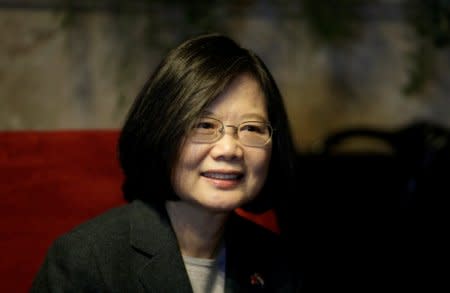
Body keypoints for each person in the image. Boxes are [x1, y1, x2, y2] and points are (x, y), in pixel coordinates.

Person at [31, 33, 301, 292]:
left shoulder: (281, 263)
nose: (230, 149)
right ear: (162, 130)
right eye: (204, 125)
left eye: (252, 128)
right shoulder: (85, 262)